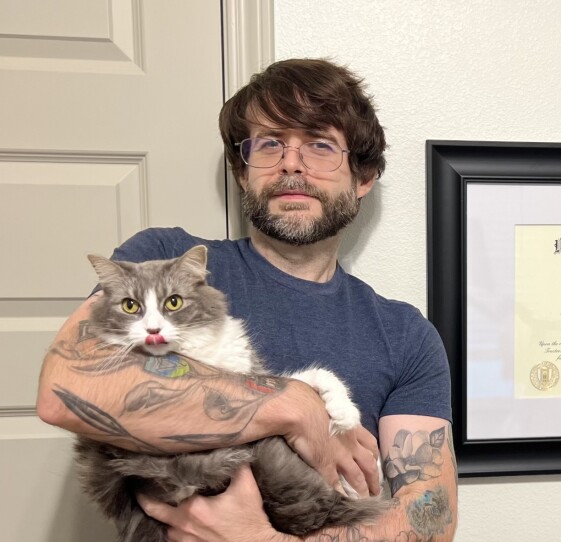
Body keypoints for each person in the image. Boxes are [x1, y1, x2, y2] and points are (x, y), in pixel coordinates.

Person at [36, 58, 457, 541]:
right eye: (270, 143)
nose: (291, 163)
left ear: (363, 178)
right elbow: (66, 388)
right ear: (242, 172)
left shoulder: (405, 335)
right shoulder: (163, 264)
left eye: (320, 145)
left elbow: (431, 521)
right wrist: (293, 405)